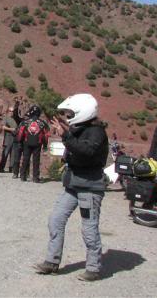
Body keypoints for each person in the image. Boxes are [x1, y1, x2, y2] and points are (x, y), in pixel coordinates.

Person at [35, 93, 108, 282]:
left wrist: (66, 135)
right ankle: (52, 261)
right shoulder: (79, 129)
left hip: (90, 187)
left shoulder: (96, 132)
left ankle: (93, 268)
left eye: (70, 113)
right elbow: (74, 146)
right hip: (73, 185)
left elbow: (85, 150)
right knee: (55, 220)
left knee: (89, 228)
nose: (68, 116)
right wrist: (65, 132)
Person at [15, 105, 49, 183]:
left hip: (27, 142)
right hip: (37, 143)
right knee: (36, 160)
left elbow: (20, 132)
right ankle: (35, 178)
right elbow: (46, 135)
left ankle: (23, 176)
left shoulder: (25, 122)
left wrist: (19, 141)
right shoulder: (43, 123)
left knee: (25, 159)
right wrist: (45, 145)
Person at [0, 101, 22, 173]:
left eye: (12, 111)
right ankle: (1, 168)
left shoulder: (16, 119)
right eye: (10, 111)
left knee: (13, 154)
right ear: (8, 111)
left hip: (15, 138)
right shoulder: (6, 118)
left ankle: (11, 168)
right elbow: (3, 127)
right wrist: (11, 129)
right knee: (5, 153)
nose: (11, 112)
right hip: (8, 138)